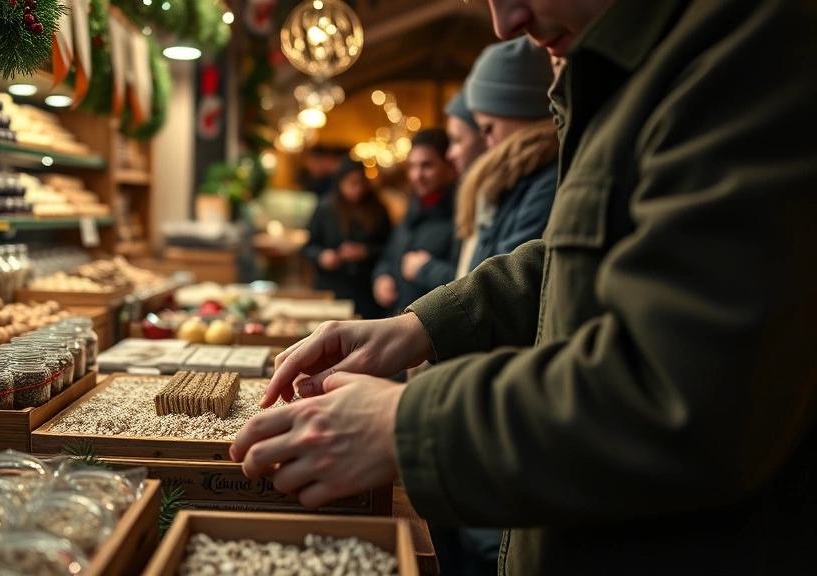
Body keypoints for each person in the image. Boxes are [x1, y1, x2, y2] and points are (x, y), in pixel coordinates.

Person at [231, 0, 817, 574]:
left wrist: (403, 424)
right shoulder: (631, 67)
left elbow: (683, 394)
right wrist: (422, 326)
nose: (504, 21)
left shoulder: (746, 48)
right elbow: (571, 260)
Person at [405, 37, 558, 293]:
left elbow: (498, 285)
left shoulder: (542, 184)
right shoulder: (512, 183)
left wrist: (426, 271)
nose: (489, 146)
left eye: (487, 129)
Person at [371, 128, 457, 314]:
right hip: (399, 319)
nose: (417, 175)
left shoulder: (460, 216)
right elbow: (389, 256)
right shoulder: (411, 210)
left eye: (427, 165)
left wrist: (426, 269)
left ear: (449, 165)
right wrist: (382, 277)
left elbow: (468, 279)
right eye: (412, 166)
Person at [302, 158, 392, 320]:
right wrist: (322, 256)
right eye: (352, 183)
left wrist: (366, 251)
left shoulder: (377, 208)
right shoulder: (326, 208)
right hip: (332, 286)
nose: (357, 189)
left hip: (366, 288)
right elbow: (308, 246)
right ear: (340, 183)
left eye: (361, 183)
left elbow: (390, 246)